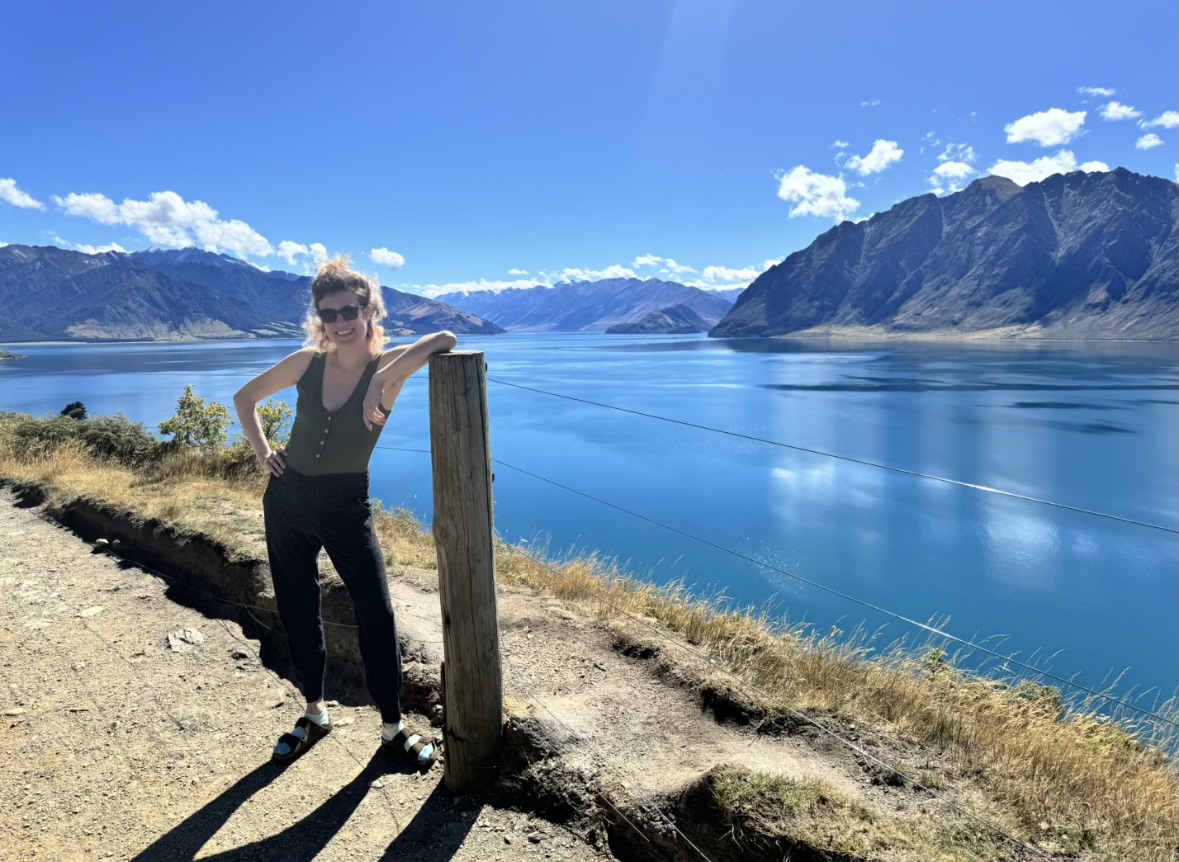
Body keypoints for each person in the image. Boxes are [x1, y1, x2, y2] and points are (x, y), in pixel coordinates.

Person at [233, 257, 457, 771]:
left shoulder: (389, 362)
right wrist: (263, 452)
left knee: (376, 612)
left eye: (350, 308)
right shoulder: (307, 362)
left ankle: (392, 727)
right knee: (296, 603)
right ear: (318, 315)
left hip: (345, 502)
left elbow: (443, 337)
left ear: (369, 307)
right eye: (328, 311)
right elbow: (245, 399)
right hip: (287, 499)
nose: (339, 320)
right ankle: (314, 712)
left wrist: (384, 380)